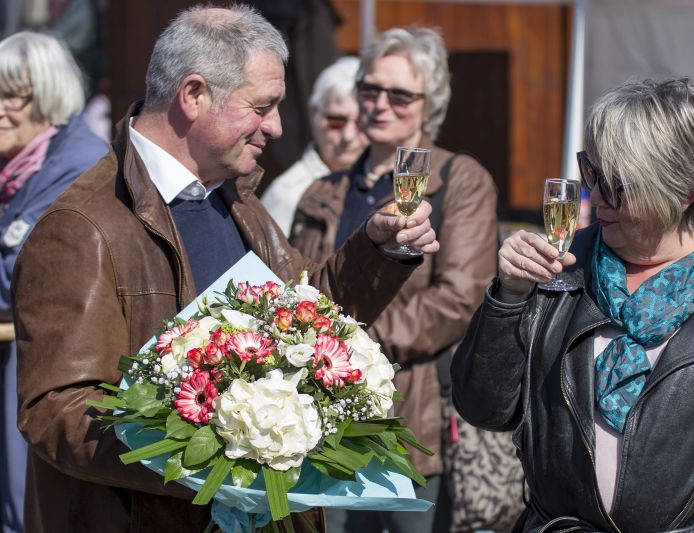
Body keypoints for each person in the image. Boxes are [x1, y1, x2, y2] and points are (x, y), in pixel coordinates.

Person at [11, 6, 439, 533]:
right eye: (262, 106)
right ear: (193, 95)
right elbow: (57, 411)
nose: (277, 127)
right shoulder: (81, 225)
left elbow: (309, 320)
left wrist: (375, 249)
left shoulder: (234, 200)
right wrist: (223, 452)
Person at [452, 78, 694, 531]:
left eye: (614, 184)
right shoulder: (558, 269)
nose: (592, 197)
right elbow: (483, 409)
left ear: (682, 192)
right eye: (590, 171)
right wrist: (509, 297)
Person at [291, 27, 497, 533]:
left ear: (430, 104)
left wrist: (347, 345)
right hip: (320, 419)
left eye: (400, 94)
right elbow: (302, 286)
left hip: (410, 419)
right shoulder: (323, 190)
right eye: (369, 89)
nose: (380, 105)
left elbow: (458, 300)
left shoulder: (459, 179)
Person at [0, 31, 106, 533]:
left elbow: (21, 277)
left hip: (50, 378)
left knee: (29, 513)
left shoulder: (77, 165)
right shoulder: (16, 165)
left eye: (12, 95)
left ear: (47, 96)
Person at [261, 56, 366, 235]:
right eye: (335, 122)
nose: (348, 136)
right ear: (313, 115)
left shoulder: (386, 182)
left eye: (361, 123)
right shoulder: (287, 193)